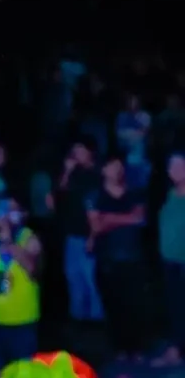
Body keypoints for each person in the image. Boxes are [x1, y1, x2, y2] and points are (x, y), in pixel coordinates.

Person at [88, 155, 149, 353]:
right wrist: (126, 218)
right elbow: (96, 225)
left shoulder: (134, 192)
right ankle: (120, 349)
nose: (117, 170)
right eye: (112, 167)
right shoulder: (96, 195)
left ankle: (136, 348)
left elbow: (139, 218)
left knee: (135, 304)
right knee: (114, 306)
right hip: (108, 259)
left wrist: (110, 218)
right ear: (103, 170)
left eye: (119, 166)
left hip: (133, 257)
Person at [0, 196, 42, 375]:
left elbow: (32, 270)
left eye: (13, 210)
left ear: (22, 214)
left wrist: (9, 242)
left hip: (22, 321)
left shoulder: (30, 239)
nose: (7, 214)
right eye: (3, 209)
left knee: (23, 376)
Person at [57, 137, 105, 324]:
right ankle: (77, 319)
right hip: (72, 234)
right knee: (73, 276)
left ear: (89, 151)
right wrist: (67, 171)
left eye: (80, 151)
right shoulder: (72, 173)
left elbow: (98, 208)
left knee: (91, 279)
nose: (77, 155)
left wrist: (93, 235)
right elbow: (59, 194)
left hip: (89, 234)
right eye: (74, 152)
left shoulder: (97, 174)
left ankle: (96, 321)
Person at [157, 152, 185, 364]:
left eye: (179, 166)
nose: (174, 171)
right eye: (171, 167)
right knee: (175, 307)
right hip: (171, 261)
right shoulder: (169, 194)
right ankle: (177, 350)